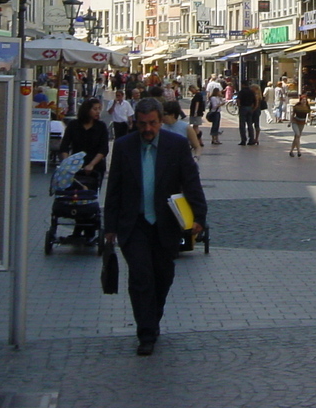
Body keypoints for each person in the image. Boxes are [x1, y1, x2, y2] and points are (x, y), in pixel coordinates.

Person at [103, 98, 207, 356]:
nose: (147, 129)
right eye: (142, 124)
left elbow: (191, 182)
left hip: (166, 224)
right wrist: (109, 226)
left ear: (161, 121)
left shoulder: (177, 145)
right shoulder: (125, 146)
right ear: (135, 122)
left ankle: (152, 317)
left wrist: (200, 217)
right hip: (134, 223)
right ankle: (145, 333)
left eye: (152, 123)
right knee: (141, 277)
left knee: (163, 276)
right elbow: (113, 187)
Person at [59, 97, 110, 241]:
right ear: (86, 110)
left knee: (89, 197)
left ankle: (87, 230)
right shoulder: (74, 125)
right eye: (95, 109)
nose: (97, 112)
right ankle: (82, 229)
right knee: (76, 197)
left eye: (99, 109)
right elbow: (65, 146)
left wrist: (92, 164)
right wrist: (67, 163)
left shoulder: (100, 127)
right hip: (76, 168)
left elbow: (103, 149)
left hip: (94, 168)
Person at [236, 81, 257, 145]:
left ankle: (243, 140)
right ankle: (251, 139)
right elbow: (255, 100)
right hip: (250, 108)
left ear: (242, 85)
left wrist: (239, 106)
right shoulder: (251, 92)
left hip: (243, 107)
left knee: (242, 125)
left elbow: (238, 100)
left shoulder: (241, 92)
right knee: (250, 124)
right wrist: (253, 108)